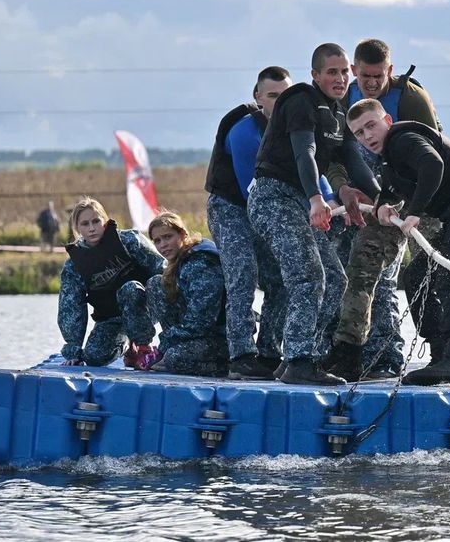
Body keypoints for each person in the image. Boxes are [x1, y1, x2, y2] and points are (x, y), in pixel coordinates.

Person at [346, 98, 450, 386]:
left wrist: (415, 213)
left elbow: (432, 164)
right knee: (417, 275)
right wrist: (384, 203)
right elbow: (392, 187)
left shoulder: (403, 139)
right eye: (359, 133)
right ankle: (439, 354)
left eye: (371, 126)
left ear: (386, 122)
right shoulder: (391, 157)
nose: (367, 136)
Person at [249, 43, 380, 385]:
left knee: (335, 279)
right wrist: (316, 198)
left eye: (344, 72)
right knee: (309, 277)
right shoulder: (300, 100)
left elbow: (352, 159)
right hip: (274, 197)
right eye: (331, 72)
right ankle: (297, 360)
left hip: (300, 200)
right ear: (315, 75)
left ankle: (305, 355)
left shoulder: (339, 113)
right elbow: (304, 151)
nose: (340, 78)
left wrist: (382, 200)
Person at [322, 38, 442, 381]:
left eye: (378, 77)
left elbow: (432, 157)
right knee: (360, 268)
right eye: (365, 77)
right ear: (354, 72)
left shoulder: (410, 99)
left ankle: (440, 351)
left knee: (426, 271)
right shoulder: (343, 99)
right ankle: (349, 352)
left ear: (390, 70)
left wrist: (415, 209)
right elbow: (333, 154)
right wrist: (342, 187)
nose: (371, 83)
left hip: (419, 192)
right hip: (373, 193)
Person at [204, 66, 292, 380]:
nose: (279, 102)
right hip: (231, 206)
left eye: (285, 96)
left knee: (280, 277)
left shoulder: (292, 129)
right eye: (272, 96)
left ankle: (270, 351)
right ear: (258, 97)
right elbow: (248, 189)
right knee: (243, 271)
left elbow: (314, 173)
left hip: (264, 206)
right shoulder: (245, 131)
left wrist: (328, 199)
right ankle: (241, 353)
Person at [57, 197, 163, 366]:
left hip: (145, 308)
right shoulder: (74, 265)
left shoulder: (129, 240)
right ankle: (128, 347)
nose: (92, 228)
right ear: (77, 228)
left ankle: (144, 348)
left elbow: (162, 270)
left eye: (96, 221)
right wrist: (73, 350)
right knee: (93, 357)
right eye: (85, 224)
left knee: (129, 289)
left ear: (104, 221)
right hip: (111, 318)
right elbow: (70, 307)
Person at [141, 211, 230, 376]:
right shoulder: (180, 263)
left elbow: (201, 321)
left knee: (174, 358)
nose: (163, 245)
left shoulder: (200, 264)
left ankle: (226, 366)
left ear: (183, 234)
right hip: (196, 336)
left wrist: (166, 342)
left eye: (168, 237)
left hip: (220, 338)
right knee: (156, 284)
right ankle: (173, 349)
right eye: (157, 241)